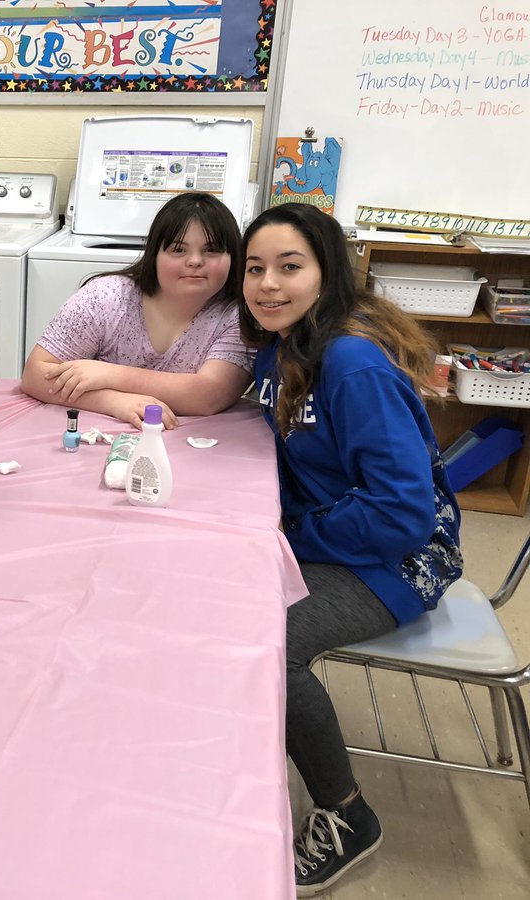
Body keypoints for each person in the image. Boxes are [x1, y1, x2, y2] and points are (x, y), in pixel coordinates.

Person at [239, 203, 463, 896]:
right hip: (335, 534)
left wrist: (293, 536)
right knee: (212, 595)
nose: (267, 284)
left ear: (327, 271)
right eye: (255, 269)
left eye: (289, 267)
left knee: (269, 643)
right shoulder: (283, 346)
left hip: (400, 559)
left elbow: (400, 513)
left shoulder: (352, 360)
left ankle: (347, 813)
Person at [21, 192, 252, 428]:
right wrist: (115, 402)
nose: (194, 261)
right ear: (154, 255)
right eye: (178, 249)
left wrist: (107, 374)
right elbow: (35, 375)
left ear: (234, 257)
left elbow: (209, 395)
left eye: (211, 250)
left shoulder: (239, 317)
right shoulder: (105, 298)